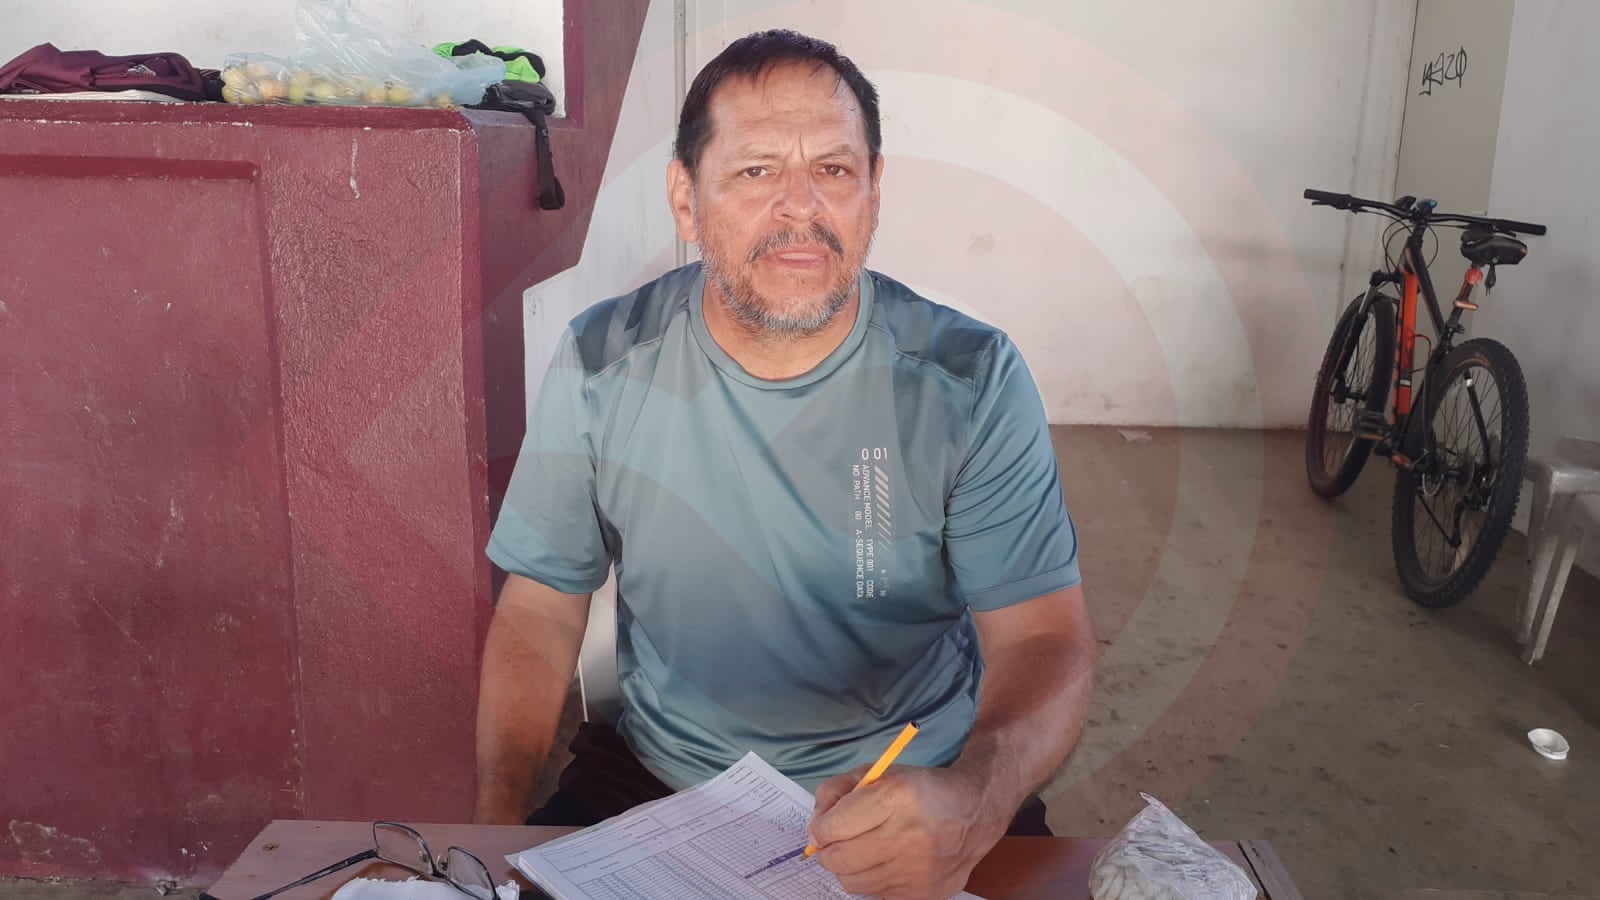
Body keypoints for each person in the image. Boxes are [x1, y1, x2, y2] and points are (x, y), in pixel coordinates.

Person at [473, 28, 1097, 900]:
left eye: (834, 170)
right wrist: (490, 831)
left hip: (914, 790)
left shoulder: (969, 380)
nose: (801, 208)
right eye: (756, 170)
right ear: (686, 199)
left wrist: (977, 795)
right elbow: (540, 608)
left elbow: (1043, 637)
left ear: (874, 191)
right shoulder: (602, 363)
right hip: (660, 777)